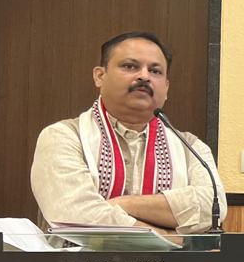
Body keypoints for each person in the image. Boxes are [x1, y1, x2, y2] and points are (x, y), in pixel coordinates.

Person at [30, 31, 226, 233]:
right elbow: (75, 214)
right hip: (79, 256)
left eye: (155, 71)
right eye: (130, 66)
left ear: (166, 88)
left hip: (168, 256)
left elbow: (213, 207)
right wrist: (167, 237)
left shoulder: (190, 147)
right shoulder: (63, 136)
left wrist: (123, 204)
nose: (144, 76)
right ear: (100, 76)